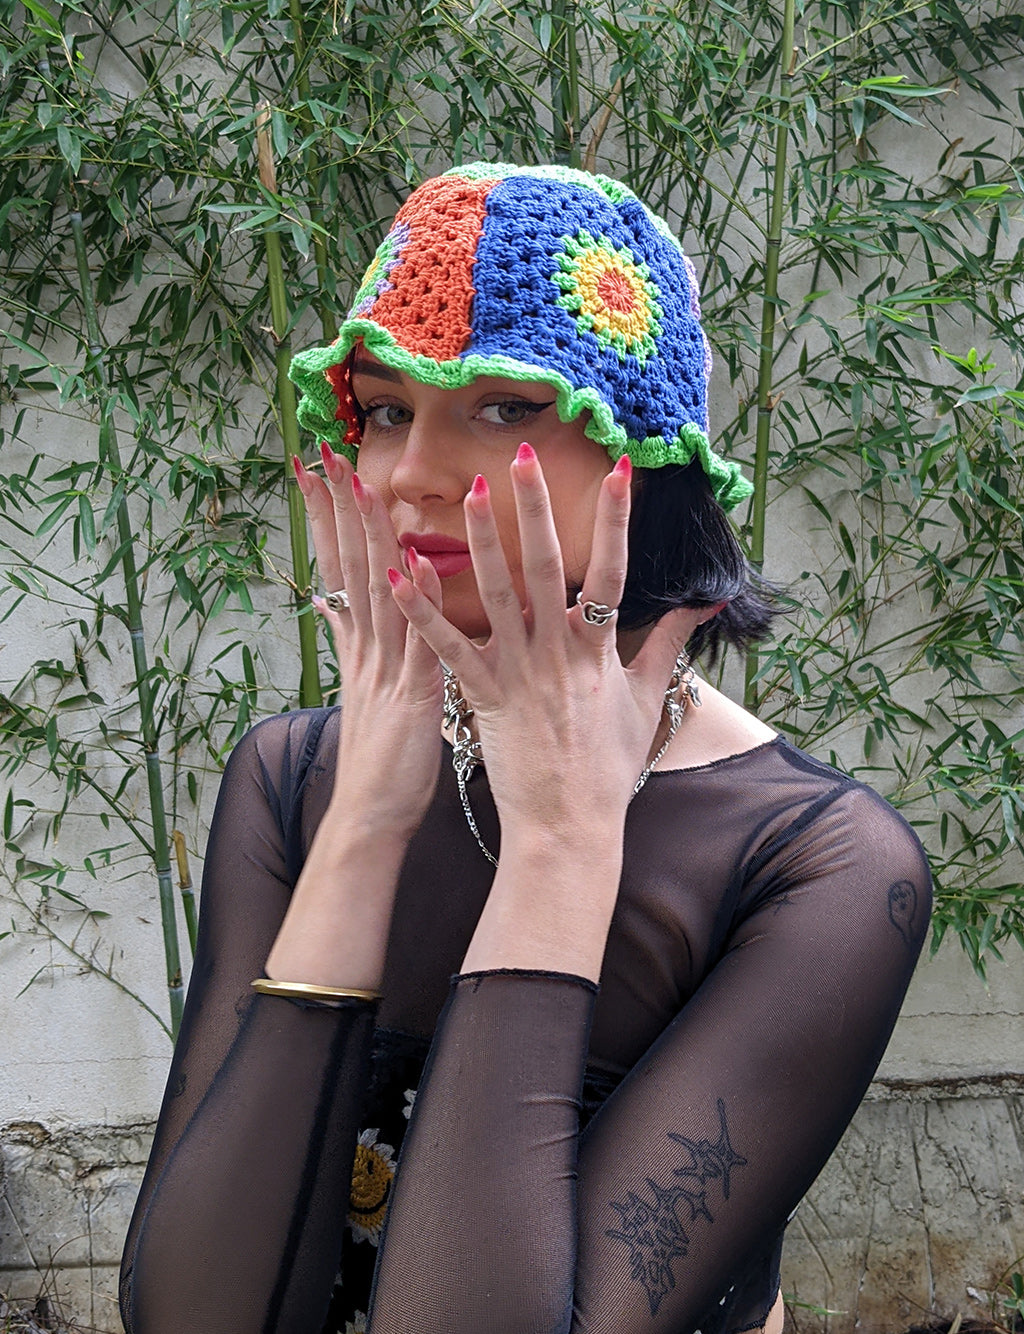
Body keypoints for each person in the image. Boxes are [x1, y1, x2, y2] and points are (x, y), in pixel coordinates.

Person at [119, 163, 931, 1334]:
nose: (411, 474)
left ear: (643, 455)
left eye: (503, 408)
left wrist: (559, 841)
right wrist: (363, 824)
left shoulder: (817, 863)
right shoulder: (293, 779)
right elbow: (191, 1313)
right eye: (386, 411)